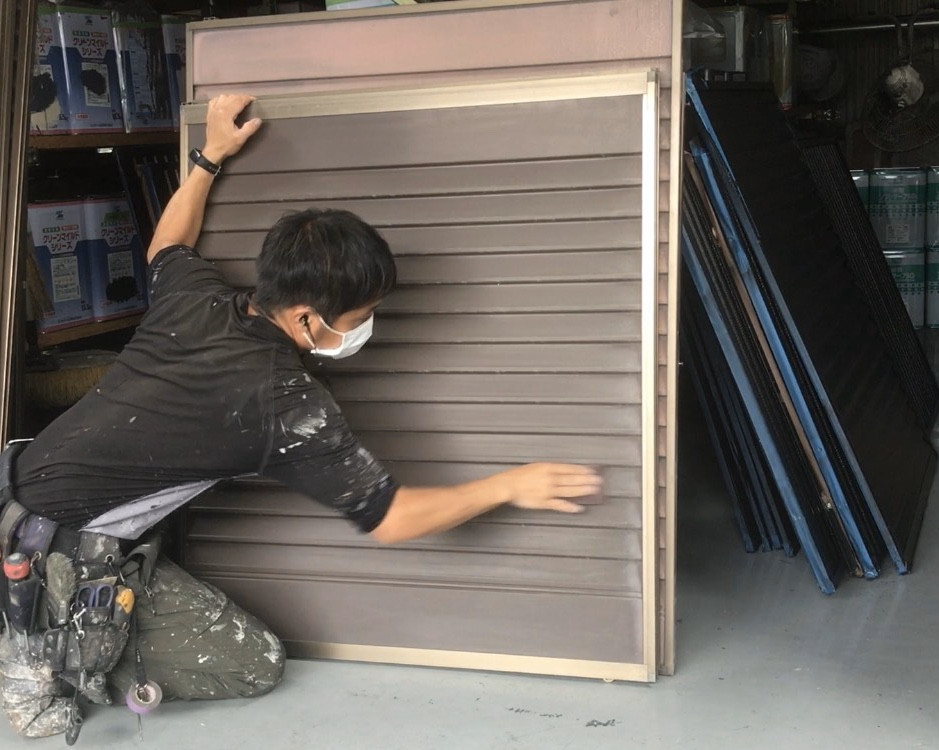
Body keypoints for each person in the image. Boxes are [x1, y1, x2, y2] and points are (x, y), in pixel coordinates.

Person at [0, 94, 601, 740]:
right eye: (360, 316)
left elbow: (166, 244)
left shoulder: (199, 299)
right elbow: (392, 517)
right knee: (254, 663)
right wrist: (511, 485)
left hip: (17, 485)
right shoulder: (283, 403)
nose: (367, 326)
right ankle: (35, 648)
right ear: (306, 318)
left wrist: (210, 157)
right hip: (48, 554)